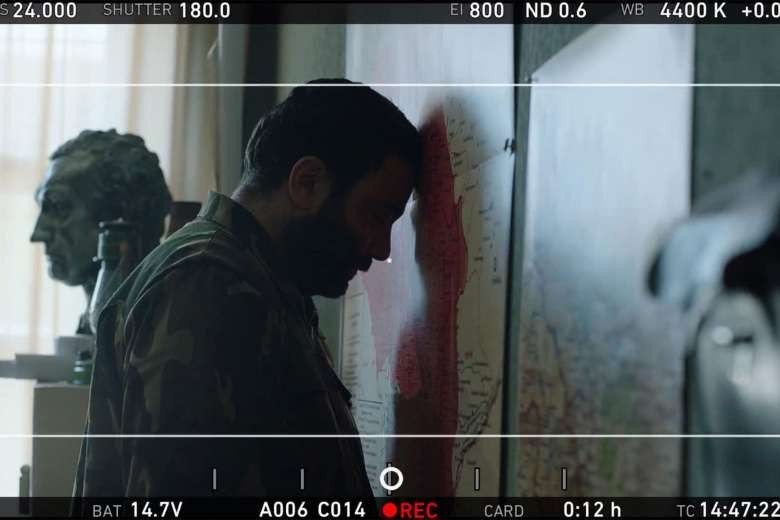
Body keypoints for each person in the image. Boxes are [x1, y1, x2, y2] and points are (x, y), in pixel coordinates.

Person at [73, 80, 422, 502]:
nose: (381, 248)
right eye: (375, 215)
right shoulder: (209, 285)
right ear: (307, 183)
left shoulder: (258, 285)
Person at [30, 130, 172, 334]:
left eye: (59, 208)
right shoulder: (98, 326)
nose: (38, 234)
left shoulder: (159, 329)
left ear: (119, 215)